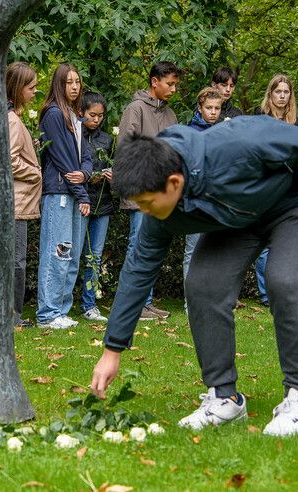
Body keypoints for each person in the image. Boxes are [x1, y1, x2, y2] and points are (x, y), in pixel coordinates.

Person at [90, 117, 298, 437]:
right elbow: (137, 270)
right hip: (241, 219)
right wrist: (113, 349)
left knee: (284, 279)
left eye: (148, 203)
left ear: (174, 183)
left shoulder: (239, 146)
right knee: (203, 283)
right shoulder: (161, 206)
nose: (146, 212)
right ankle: (225, 397)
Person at [117, 60, 182, 320]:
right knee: (137, 248)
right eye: (170, 84)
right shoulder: (135, 110)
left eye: (176, 84)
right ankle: (134, 305)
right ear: (154, 82)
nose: (173, 89)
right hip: (141, 193)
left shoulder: (170, 115)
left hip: (162, 196)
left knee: (152, 248)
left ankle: (146, 302)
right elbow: (125, 148)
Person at [35, 63, 93, 329]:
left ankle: (61, 310)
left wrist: (86, 174)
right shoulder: (54, 114)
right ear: (59, 84)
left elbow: (86, 157)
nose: (74, 87)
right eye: (68, 82)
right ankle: (47, 314)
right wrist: (82, 193)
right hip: (60, 192)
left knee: (71, 255)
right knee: (57, 252)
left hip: (76, 193)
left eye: (77, 82)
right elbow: (61, 158)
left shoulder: (75, 115)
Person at [253, 74, 298, 306]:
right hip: (264, 186)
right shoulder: (258, 117)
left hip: (289, 187)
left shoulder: (297, 123)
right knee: (264, 245)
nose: (282, 96)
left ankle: (284, 291)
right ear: (270, 93)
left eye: (286, 92)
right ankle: (266, 294)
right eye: (278, 92)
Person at [5, 61, 42, 327]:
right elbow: (9, 159)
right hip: (16, 202)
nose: (35, 92)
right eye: (31, 87)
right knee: (16, 261)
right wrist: (35, 172)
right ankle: (13, 316)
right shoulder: (12, 120)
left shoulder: (11, 118)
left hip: (16, 201)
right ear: (18, 89)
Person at [79, 91, 114, 323]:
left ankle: (89, 304)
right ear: (82, 113)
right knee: (72, 254)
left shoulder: (109, 140)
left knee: (95, 255)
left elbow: (115, 165)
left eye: (101, 116)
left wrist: (112, 175)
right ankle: (63, 301)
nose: (96, 119)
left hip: (102, 203)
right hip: (80, 201)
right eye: (92, 115)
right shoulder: (74, 136)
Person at [183, 88, 222, 282]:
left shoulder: (224, 132)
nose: (213, 112)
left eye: (217, 108)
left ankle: (211, 300)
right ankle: (191, 303)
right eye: (209, 108)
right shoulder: (190, 133)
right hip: (197, 199)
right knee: (194, 251)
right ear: (200, 108)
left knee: (215, 252)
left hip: (218, 199)